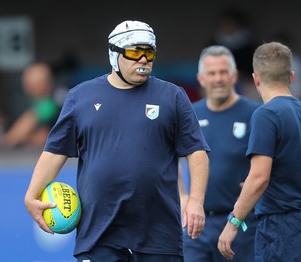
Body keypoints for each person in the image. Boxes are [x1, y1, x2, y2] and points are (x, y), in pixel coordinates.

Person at [24, 20, 210, 262]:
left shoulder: (173, 96)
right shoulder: (80, 97)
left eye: (149, 53)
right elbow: (55, 152)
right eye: (135, 52)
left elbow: (196, 152)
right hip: (99, 234)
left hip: (158, 236)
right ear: (115, 54)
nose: (143, 59)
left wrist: (195, 201)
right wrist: (31, 195)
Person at [217, 42, 301, 261]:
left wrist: (233, 222)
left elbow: (259, 177)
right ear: (291, 76)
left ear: (256, 78)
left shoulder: (266, 115)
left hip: (280, 226)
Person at [180, 45, 261, 262]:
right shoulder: (189, 114)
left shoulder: (255, 114)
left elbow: (268, 167)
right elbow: (168, 157)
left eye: (223, 72)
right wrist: (182, 196)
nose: (218, 79)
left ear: (234, 75)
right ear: (201, 78)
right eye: (212, 73)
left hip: (240, 223)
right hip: (197, 224)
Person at [2, 62, 60, 148]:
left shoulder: (46, 106)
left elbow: (13, 137)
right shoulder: (54, 102)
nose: (26, 89)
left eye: (28, 84)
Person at [207, 7, 258, 97]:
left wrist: (241, 74)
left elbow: (253, 66)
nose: (227, 26)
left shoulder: (248, 44)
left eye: (230, 23)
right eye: (224, 23)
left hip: (244, 80)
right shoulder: (214, 43)